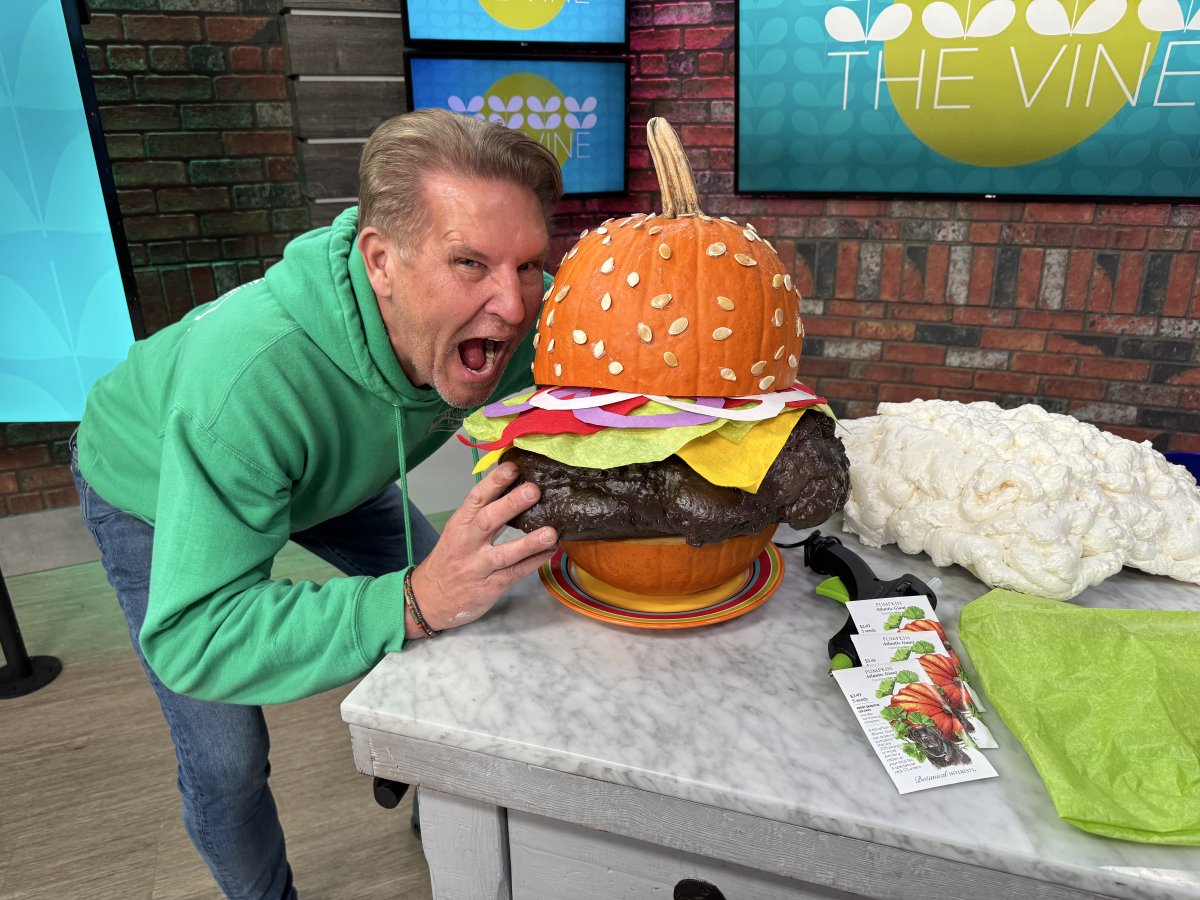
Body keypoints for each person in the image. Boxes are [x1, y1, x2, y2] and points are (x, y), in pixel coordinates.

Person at [70, 108, 563, 899]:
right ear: (381, 262)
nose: (513, 305)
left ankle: (435, 798)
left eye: (530, 265)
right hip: (152, 483)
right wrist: (407, 602)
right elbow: (193, 637)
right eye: (469, 262)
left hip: (331, 473)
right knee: (227, 761)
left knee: (470, 621)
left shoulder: (518, 318)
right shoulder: (249, 377)